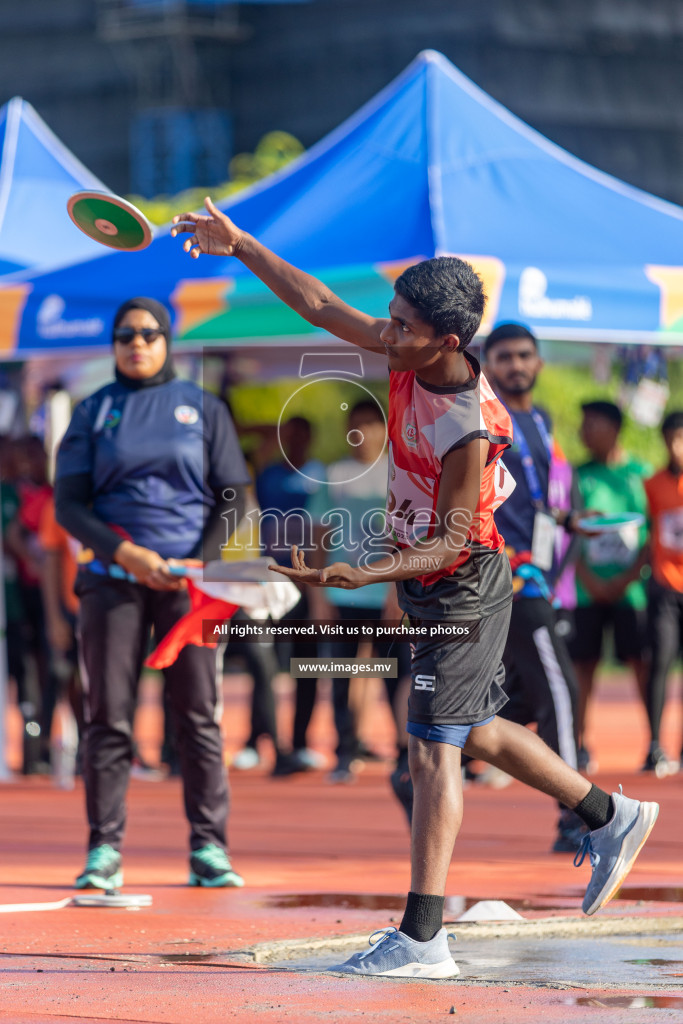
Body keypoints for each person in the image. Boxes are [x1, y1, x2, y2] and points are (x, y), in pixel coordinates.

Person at [171, 198, 659, 979]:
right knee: (477, 725)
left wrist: (359, 572)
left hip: (462, 580)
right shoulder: (406, 351)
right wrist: (240, 246)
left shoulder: (466, 423)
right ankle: (609, 815)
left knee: (432, 748)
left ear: (448, 341)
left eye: (400, 325)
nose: (384, 332)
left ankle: (422, 940)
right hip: (430, 578)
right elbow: (322, 304)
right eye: (390, 318)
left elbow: (448, 539)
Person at [55, 296, 250, 890]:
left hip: (188, 584)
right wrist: (128, 556)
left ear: (167, 341)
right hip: (114, 581)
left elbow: (235, 495)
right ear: (113, 345)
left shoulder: (203, 408)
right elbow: (69, 504)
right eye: (124, 335)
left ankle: (209, 847)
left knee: (197, 716)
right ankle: (104, 850)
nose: (136, 343)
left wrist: (201, 561)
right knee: (108, 716)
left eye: (148, 333)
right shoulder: (93, 412)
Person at [483, 323, 590, 853]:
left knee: (511, 699)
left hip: (538, 576)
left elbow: (538, 502)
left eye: (525, 355)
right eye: (505, 357)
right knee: (560, 693)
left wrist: (568, 521)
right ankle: (576, 814)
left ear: (539, 363)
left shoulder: (542, 421)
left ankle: (420, 764)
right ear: (488, 364)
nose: (516, 365)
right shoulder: (486, 419)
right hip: (507, 579)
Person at [308, 399, 412, 785]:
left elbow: (404, 541)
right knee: (341, 675)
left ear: (385, 430)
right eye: (356, 425)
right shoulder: (334, 474)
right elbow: (320, 536)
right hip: (342, 595)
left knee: (397, 676)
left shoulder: (399, 473)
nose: (363, 433)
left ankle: (404, 752)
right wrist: (318, 594)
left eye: (371, 424)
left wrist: (396, 591)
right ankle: (345, 751)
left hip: (386, 594)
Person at [569, 401, 650, 772]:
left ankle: (656, 743)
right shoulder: (577, 475)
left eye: (592, 424)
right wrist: (587, 577)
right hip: (587, 591)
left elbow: (653, 534)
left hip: (631, 590)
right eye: (583, 425)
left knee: (642, 663)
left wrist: (627, 576)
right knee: (582, 666)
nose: (584, 432)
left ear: (614, 428)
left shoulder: (640, 475)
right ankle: (580, 744)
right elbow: (568, 532)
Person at [255, 416, 325, 773]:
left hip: (306, 584)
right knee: (262, 663)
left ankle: (299, 742)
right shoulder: (266, 475)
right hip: (268, 582)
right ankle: (258, 739)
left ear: (311, 438)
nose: (295, 442)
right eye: (288, 435)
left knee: (306, 666)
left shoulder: (322, 476)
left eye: (301, 435)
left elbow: (323, 530)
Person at [641, 410, 683, 775]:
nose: (676, 446)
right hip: (666, 588)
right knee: (661, 665)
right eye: (671, 439)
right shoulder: (653, 485)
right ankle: (655, 746)